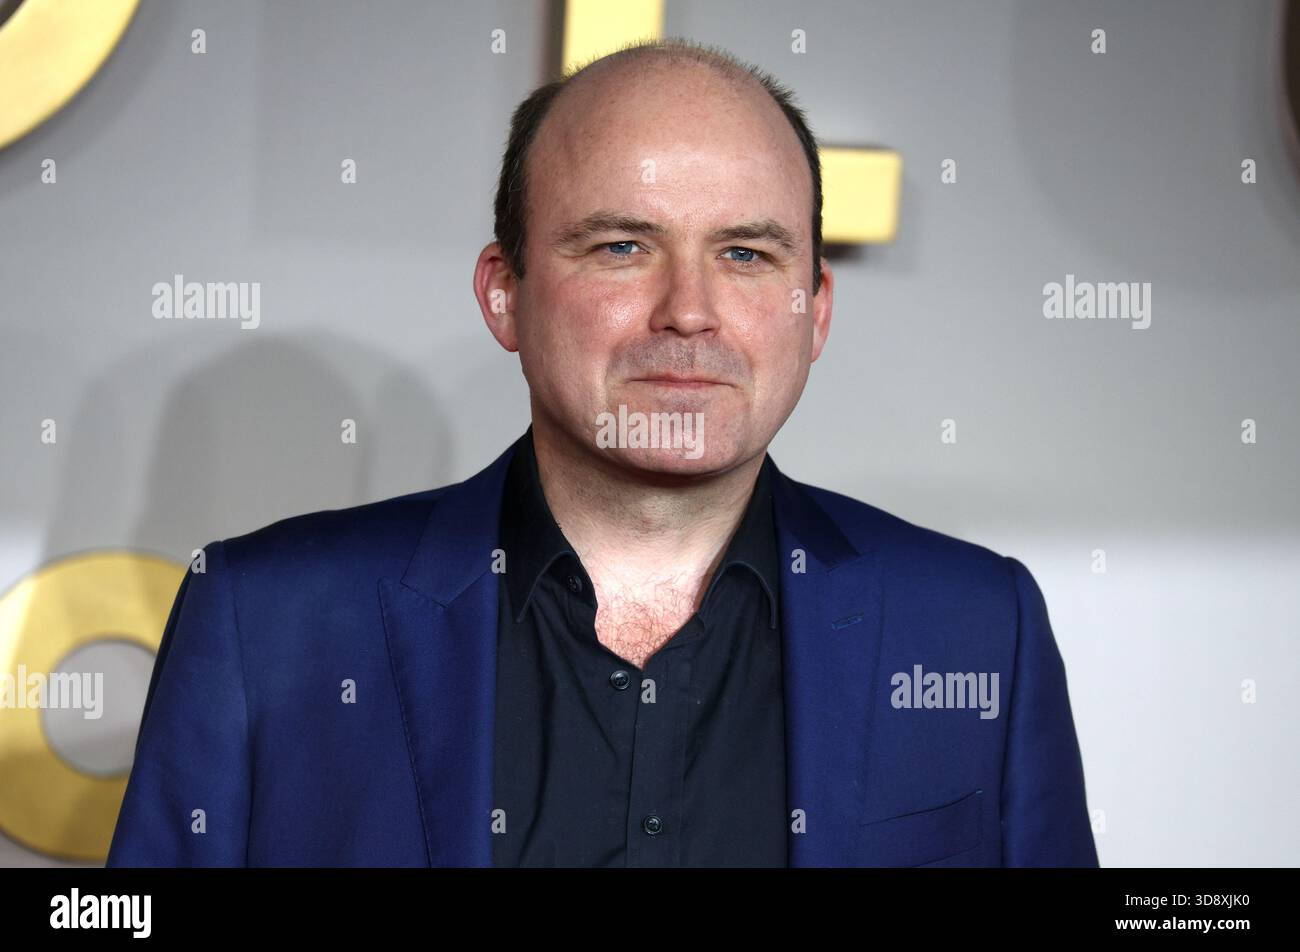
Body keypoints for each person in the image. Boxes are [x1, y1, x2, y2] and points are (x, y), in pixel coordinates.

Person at [107, 38, 1097, 867]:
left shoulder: (974, 630)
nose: (689, 311)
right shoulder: (265, 622)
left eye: (746, 254)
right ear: (505, 292)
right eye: (622, 246)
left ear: (815, 311)